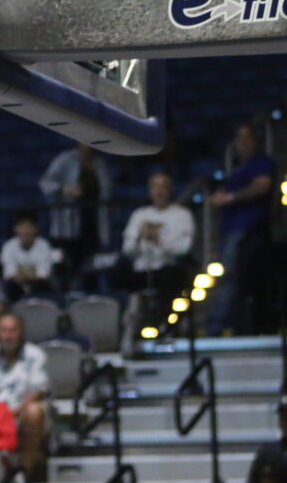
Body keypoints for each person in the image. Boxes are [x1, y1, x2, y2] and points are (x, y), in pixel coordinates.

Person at [208, 122, 275, 336]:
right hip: (230, 230)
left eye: (247, 137)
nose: (243, 142)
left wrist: (229, 197)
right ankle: (233, 326)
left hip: (248, 230)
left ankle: (217, 328)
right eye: (239, 138)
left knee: (233, 278)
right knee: (229, 278)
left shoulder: (262, 162)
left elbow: (262, 186)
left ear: (256, 140)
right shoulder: (236, 169)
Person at [0, 312, 50, 481]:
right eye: (3, 330)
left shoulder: (34, 354)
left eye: (13, 330)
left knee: (34, 411)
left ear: (21, 332)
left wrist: (12, 413)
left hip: (21, 412)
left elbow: (37, 391)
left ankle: (24, 470)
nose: (8, 336)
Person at [39, 143, 113, 288]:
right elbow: (45, 183)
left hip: (94, 225)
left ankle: (91, 298)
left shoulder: (100, 164)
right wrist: (65, 189)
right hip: (68, 226)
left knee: (91, 270)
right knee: (69, 269)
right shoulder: (65, 159)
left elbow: (107, 191)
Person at [113, 172, 194, 302]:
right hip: (140, 269)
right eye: (155, 187)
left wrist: (158, 240)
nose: (159, 191)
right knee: (118, 270)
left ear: (169, 190)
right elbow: (127, 250)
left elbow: (183, 249)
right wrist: (139, 237)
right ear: (149, 191)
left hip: (167, 269)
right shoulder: (139, 214)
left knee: (172, 275)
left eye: (163, 187)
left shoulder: (182, 215)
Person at [0, 214, 55, 302]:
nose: (25, 231)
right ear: (15, 229)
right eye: (22, 227)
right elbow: (9, 273)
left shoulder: (44, 245)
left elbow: (44, 274)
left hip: (38, 285)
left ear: (36, 229)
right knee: (7, 286)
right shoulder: (8, 246)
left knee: (45, 285)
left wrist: (27, 278)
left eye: (29, 227)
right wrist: (25, 277)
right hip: (15, 286)